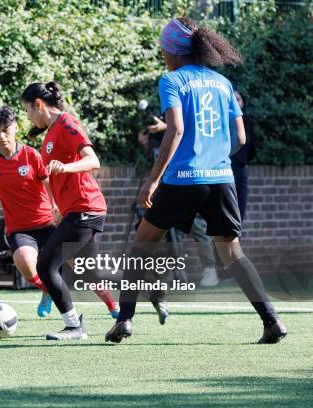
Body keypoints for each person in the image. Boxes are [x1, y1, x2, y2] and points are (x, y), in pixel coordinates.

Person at [105, 18, 287, 344]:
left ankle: (125, 321)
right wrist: (215, 156)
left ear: (171, 51)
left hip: (183, 178)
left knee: (141, 244)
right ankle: (272, 321)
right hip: (221, 178)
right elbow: (240, 138)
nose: (162, 54)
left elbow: (175, 130)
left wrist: (152, 181)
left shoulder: (171, 80)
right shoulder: (222, 82)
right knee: (233, 255)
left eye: (162, 48)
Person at [0, 106, 119, 318]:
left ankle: (113, 306)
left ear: (15, 128)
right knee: (25, 262)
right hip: (19, 229)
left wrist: (57, 207)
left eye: (5, 129)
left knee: (80, 266)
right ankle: (49, 290)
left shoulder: (31, 155)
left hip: (47, 222)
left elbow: (49, 180)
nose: (1, 136)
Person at [21, 82, 119, 340]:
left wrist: (65, 168)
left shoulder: (67, 124)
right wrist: (59, 208)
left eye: (27, 111)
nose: (28, 117)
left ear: (39, 104)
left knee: (45, 265)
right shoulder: (52, 130)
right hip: (79, 210)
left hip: (85, 208)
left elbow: (92, 160)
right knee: (89, 271)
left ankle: (74, 326)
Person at [138, 117, 219, 287]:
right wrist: (145, 142)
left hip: (189, 183)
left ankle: (210, 269)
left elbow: (189, 130)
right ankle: (174, 272)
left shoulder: (181, 120)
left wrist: (165, 127)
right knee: (168, 232)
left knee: (198, 227)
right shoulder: (158, 142)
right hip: (169, 189)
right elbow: (158, 160)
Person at [230, 90, 256, 221]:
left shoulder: (248, 122)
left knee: (240, 209)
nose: (235, 101)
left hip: (240, 168)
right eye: (232, 98)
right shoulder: (222, 120)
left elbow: (252, 146)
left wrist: (244, 161)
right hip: (224, 167)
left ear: (243, 102)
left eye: (238, 99)